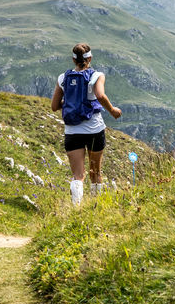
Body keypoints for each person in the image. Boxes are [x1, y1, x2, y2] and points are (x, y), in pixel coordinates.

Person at [51, 43, 122, 205]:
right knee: (95, 172)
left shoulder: (63, 78)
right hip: (94, 130)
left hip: (72, 131)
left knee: (78, 175)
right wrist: (113, 110)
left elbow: (54, 106)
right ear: (89, 58)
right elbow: (100, 95)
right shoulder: (97, 75)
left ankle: (76, 209)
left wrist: (70, 101)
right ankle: (96, 207)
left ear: (73, 59)